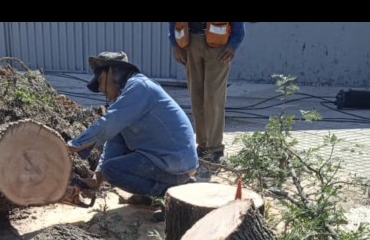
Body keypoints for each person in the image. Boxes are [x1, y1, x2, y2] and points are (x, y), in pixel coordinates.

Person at [67, 51, 198, 222]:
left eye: (100, 81)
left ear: (112, 72)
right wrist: (96, 180)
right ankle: (154, 194)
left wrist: (72, 146)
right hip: (167, 159)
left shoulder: (138, 87)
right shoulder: (129, 95)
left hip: (176, 162)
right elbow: (114, 140)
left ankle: (175, 192)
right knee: (109, 166)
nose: (100, 89)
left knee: (113, 170)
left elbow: (108, 123)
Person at [169, 22, 246, 163]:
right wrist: (174, 44)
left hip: (218, 47)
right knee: (196, 99)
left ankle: (215, 148)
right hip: (190, 43)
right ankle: (203, 146)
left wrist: (233, 45)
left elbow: (238, 25)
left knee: (213, 99)